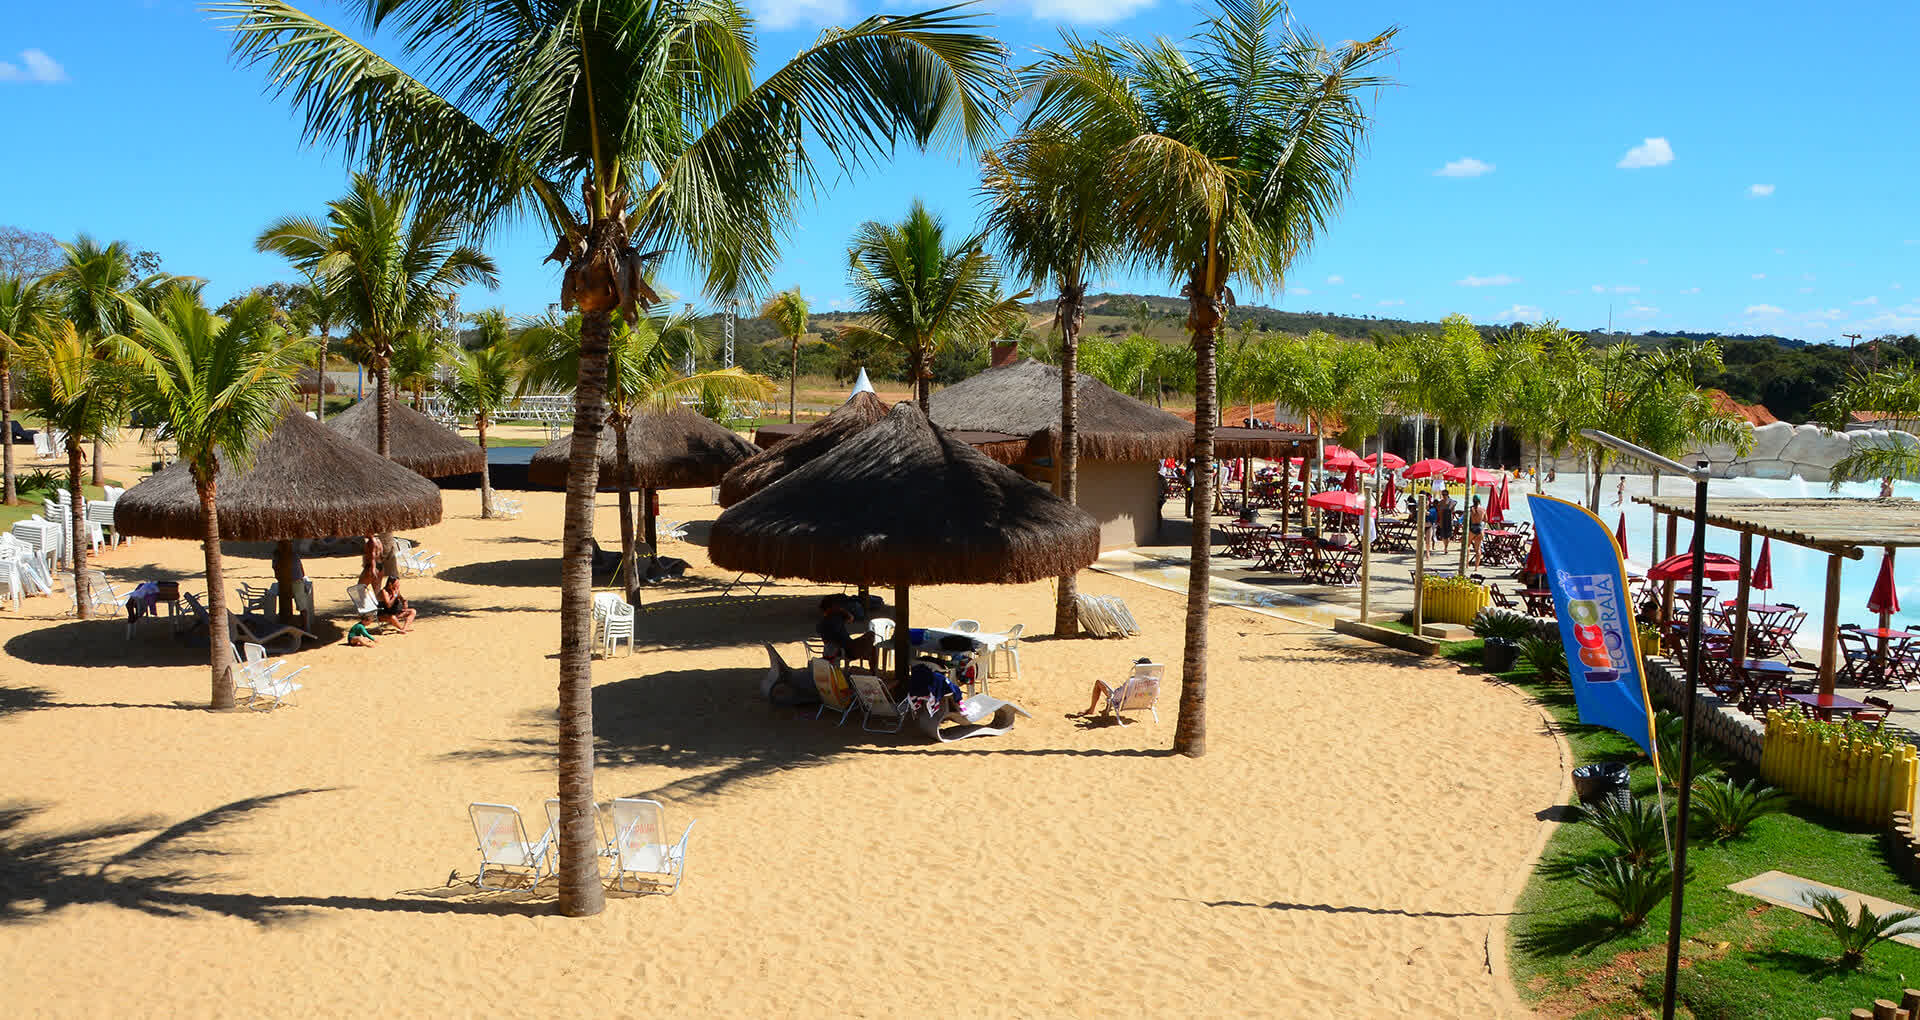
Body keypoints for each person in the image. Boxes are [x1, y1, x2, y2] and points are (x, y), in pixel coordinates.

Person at [817, 596, 877, 673]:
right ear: (830, 608)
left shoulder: (834, 617)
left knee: (872, 648)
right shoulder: (827, 622)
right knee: (871, 635)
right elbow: (832, 641)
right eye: (835, 606)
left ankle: (873, 672)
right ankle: (873, 672)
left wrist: (842, 611)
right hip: (845, 649)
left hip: (848, 645)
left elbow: (851, 618)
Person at [1467, 496, 1487, 565]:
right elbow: (1485, 519)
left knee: (1468, 546)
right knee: (1478, 549)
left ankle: (1466, 564)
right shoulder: (1483, 509)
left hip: (1472, 528)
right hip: (1479, 528)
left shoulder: (1470, 508)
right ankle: (1476, 567)